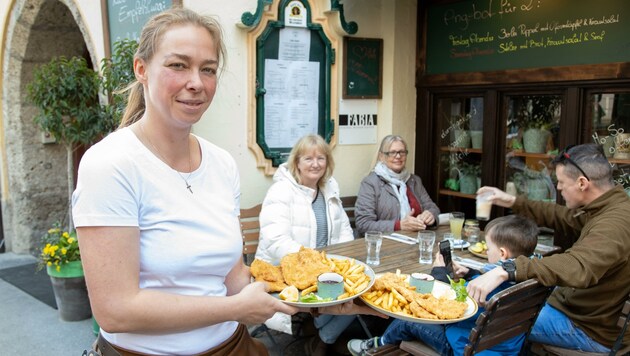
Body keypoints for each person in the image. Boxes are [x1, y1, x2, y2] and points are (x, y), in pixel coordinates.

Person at [72, 8, 299, 355]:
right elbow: (115, 310)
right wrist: (236, 309)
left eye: (207, 69)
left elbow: (234, 276)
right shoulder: (110, 164)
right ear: (142, 69)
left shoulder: (222, 164)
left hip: (233, 346)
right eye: (178, 65)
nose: (196, 82)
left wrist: (319, 293)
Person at [468, 143, 630, 353]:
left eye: (561, 182)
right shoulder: (607, 208)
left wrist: (508, 269)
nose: (559, 188)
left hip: (583, 327)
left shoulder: (614, 224)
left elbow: (578, 266)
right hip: (570, 307)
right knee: (484, 277)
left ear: (582, 183)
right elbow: (561, 216)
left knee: (477, 313)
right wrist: (510, 200)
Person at [347, 214, 540, 356]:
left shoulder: (485, 288)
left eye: (488, 248)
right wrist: (471, 273)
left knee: (410, 318)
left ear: (503, 253)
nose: (487, 251)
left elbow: (436, 307)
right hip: (506, 349)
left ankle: (376, 345)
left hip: (464, 348)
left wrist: (439, 272)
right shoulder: (531, 277)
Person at [255, 134, 356, 356]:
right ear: (297, 162)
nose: (315, 164)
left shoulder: (329, 189)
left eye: (321, 158)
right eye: (308, 158)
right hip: (286, 272)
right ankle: (321, 330)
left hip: (324, 269)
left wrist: (341, 264)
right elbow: (276, 241)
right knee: (348, 297)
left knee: (361, 292)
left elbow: (344, 232)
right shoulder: (281, 191)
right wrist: (315, 266)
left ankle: (322, 336)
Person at [355, 135, 440, 235]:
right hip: (385, 244)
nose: (398, 156)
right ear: (382, 156)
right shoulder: (370, 183)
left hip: (416, 239)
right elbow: (363, 224)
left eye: (402, 152)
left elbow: (432, 207)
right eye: (392, 153)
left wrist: (430, 215)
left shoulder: (414, 181)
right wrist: (399, 225)